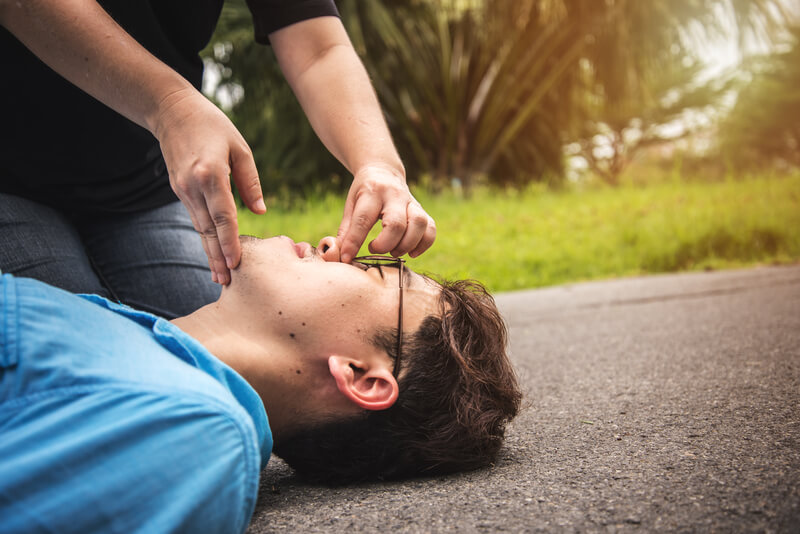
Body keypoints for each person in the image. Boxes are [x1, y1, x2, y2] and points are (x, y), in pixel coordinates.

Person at [0, 234, 522, 533]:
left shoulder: (196, 431)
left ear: (361, 376)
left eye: (375, 271)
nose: (336, 244)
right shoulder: (153, 369)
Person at [0, 0, 436, 318]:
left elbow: (317, 46)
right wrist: (170, 105)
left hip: (137, 180)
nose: (328, 247)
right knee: (72, 353)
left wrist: (379, 163)